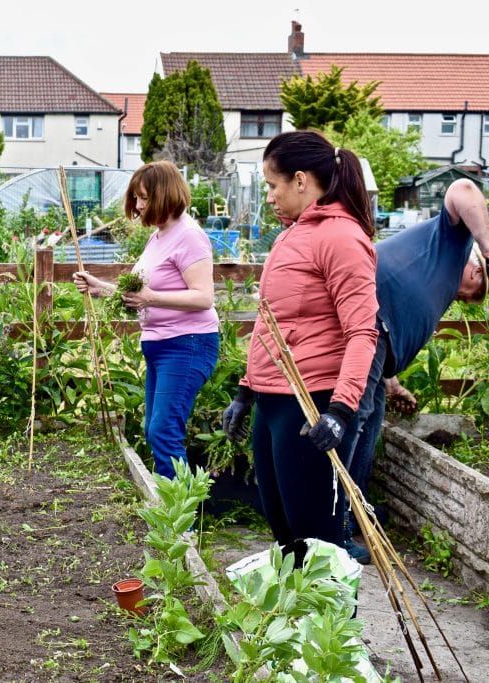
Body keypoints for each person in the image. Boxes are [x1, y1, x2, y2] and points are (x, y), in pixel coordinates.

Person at [222, 130, 378, 552]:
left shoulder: (342, 238)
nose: (269, 196)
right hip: (273, 400)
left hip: (311, 405)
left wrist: (341, 411)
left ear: (302, 180)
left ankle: (337, 617)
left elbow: (363, 332)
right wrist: (245, 391)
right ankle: (296, 621)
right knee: (284, 531)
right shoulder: (291, 235)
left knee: (318, 541)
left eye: (273, 185)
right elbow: (271, 323)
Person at [343, 179, 489, 563]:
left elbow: (399, 322)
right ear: (477, 266)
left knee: (369, 421)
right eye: (474, 287)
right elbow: (462, 188)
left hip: (379, 337)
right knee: (353, 419)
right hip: (369, 322)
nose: (465, 295)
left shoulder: (440, 279)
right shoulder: (454, 239)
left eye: (469, 300)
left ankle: (355, 508)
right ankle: (335, 526)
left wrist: (392, 383)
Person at [73, 160, 219, 478]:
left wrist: (151, 297)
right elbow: (144, 293)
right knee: (155, 431)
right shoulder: (159, 236)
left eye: (144, 198)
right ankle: (172, 513)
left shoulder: (189, 235)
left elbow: (203, 297)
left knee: (164, 432)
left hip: (186, 345)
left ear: (165, 195)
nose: (138, 206)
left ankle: (181, 523)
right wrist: (104, 289)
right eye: (136, 198)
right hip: (160, 346)